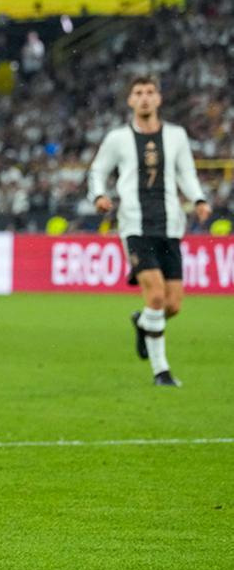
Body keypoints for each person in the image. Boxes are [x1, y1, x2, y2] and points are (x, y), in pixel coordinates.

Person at [88, 75, 209, 387]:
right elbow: (98, 170)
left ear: (159, 99)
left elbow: (187, 173)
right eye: (138, 93)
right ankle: (161, 371)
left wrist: (198, 199)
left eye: (150, 92)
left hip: (170, 225)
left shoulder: (177, 136)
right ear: (130, 100)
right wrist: (99, 195)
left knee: (173, 305)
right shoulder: (118, 138)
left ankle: (142, 322)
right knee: (155, 295)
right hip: (135, 225)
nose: (144, 98)